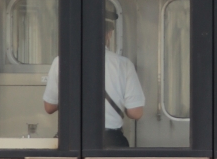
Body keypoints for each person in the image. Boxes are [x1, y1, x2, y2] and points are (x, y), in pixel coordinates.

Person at [43, 9, 145, 147]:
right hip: (110, 141)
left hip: (71, 140)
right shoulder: (124, 64)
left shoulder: (61, 61)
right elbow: (136, 112)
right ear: (109, 34)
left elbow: (49, 107)